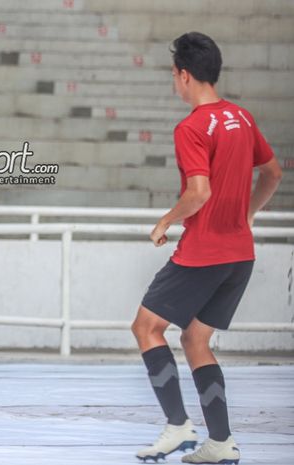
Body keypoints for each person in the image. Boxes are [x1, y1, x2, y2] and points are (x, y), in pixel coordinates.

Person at [131, 32, 282, 464]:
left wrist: (164, 221)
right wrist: (248, 214)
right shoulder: (243, 117)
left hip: (204, 252)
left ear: (184, 75)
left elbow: (198, 192)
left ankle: (178, 428)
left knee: (146, 328)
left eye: (173, 75)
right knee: (197, 339)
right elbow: (272, 172)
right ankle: (220, 443)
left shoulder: (192, 127)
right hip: (240, 255)